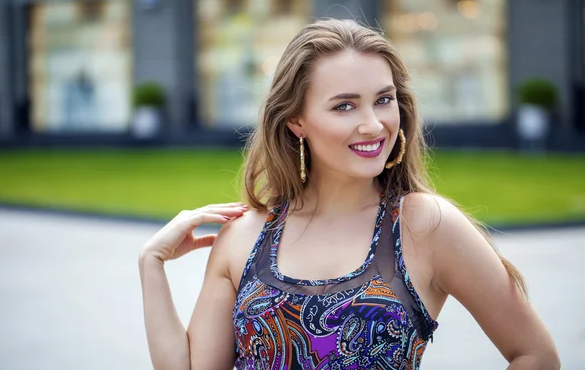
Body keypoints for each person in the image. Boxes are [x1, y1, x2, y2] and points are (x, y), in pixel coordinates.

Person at [139, 19, 560, 369]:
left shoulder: (425, 226)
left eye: (383, 100)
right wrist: (152, 264)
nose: (374, 125)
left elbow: (535, 355)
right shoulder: (243, 237)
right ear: (296, 121)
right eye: (344, 106)